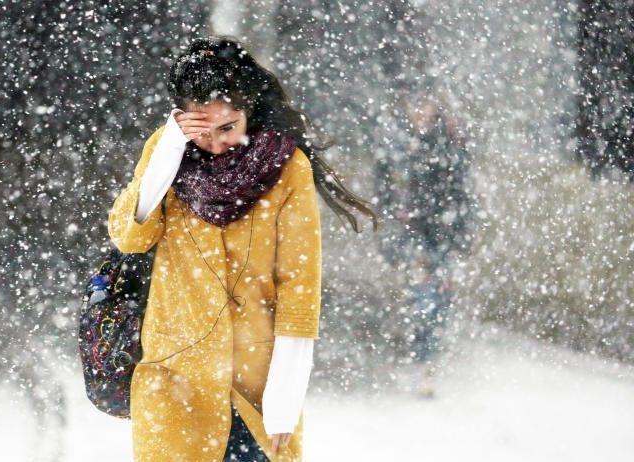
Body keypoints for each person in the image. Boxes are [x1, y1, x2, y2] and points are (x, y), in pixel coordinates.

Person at [108, 37, 376, 461]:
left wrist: (284, 401)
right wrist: (172, 148)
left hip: (256, 382)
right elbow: (130, 234)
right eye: (201, 130)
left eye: (228, 127)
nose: (215, 143)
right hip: (175, 378)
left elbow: (298, 287)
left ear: (248, 110)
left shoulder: (287, 168)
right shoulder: (167, 151)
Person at [374, 90, 474, 368]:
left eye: (424, 103)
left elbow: (464, 190)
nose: (419, 110)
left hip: (445, 231)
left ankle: (430, 351)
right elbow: (383, 186)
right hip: (413, 231)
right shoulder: (397, 141)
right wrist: (389, 221)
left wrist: (463, 230)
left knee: (442, 295)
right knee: (422, 295)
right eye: (414, 102)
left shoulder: (450, 142)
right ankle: (424, 356)